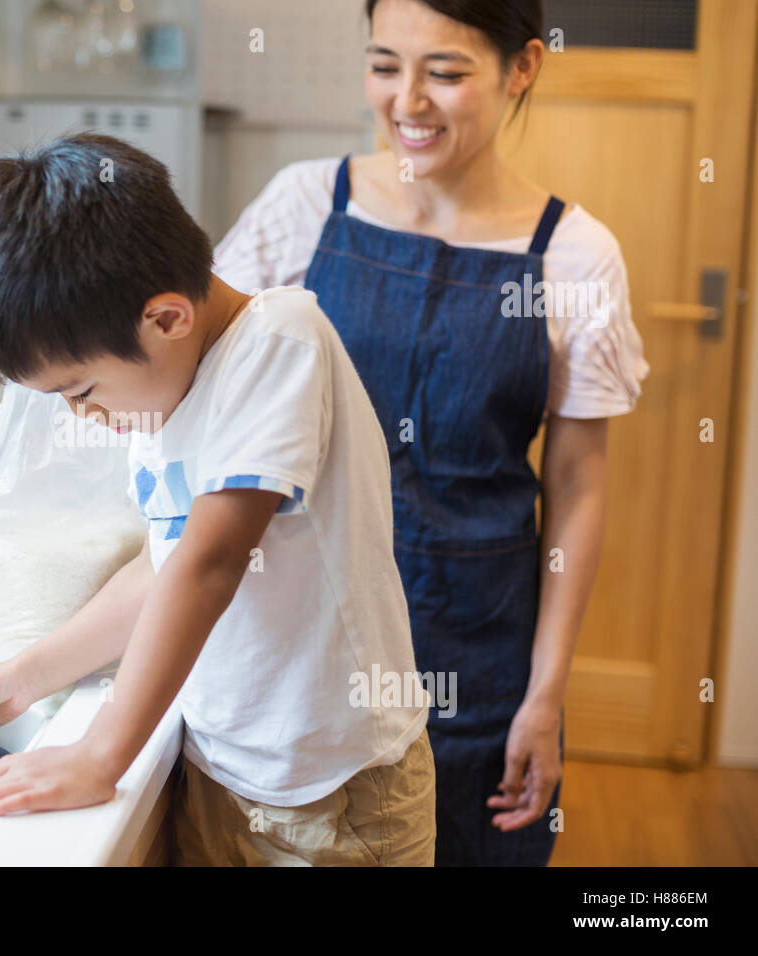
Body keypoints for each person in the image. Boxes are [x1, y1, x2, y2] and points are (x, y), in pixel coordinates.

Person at [212, 0, 649, 865]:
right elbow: (208, 407)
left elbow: (577, 488)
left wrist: (546, 698)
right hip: (303, 641)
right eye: (384, 65)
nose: (407, 100)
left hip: (477, 646)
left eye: (445, 73)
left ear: (522, 67)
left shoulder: (573, 254)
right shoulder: (307, 205)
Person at [0, 131, 435, 865]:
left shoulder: (279, 342)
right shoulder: (164, 384)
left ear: (166, 318)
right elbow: (162, 561)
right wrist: (21, 679)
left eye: (80, 390)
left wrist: (101, 755)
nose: (80, 414)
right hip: (222, 768)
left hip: (332, 794)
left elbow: (210, 561)